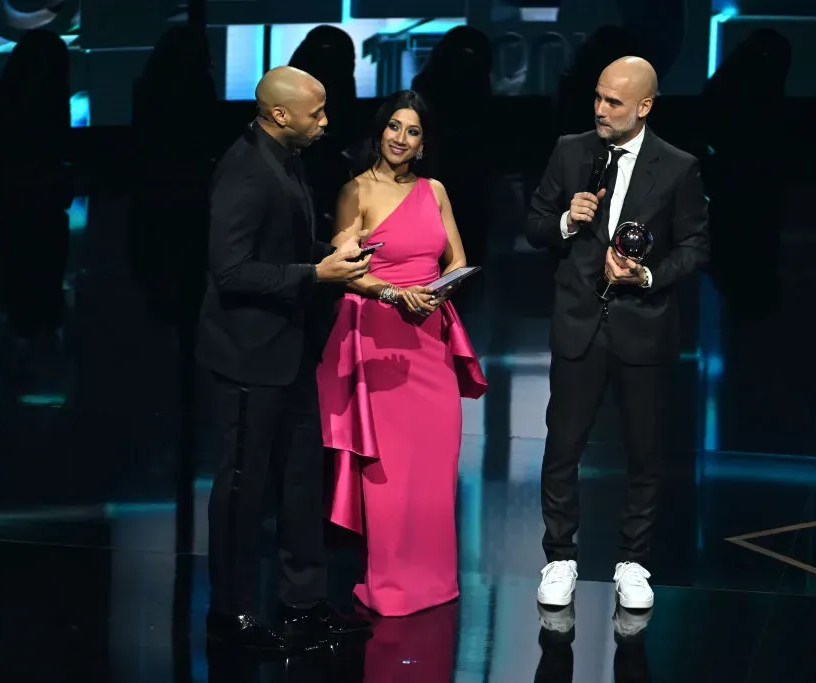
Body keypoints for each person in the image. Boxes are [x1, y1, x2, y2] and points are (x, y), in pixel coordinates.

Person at [198, 66, 372, 652]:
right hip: (248, 356)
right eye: (316, 113)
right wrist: (315, 274)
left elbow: (288, 249)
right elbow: (231, 270)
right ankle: (232, 613)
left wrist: (333, 256)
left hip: (291, 351)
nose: (326, 122)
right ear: (279, 115)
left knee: (300, 482)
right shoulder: (244, 171)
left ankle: (304, 603)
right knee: (243, 490)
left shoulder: (285, 157)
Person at [525, 57, 709, 610]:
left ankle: (634, 561)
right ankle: (559, 557)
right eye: (599, 99)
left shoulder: (678, 167)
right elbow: (535, 225)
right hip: (579, 323)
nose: (601, 111)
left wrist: (647, 275)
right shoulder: (569, 150)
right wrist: (565, 220)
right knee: (562, 448)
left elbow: (695, 247)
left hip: (642, 328)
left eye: (614, 103)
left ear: (644, 107)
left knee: (644, 453)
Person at [316, 90, 487, 617]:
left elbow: (455, 258)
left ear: (423, 143)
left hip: (428, 336)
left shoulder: (435, 191)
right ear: (379, 130)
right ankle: (389, 584)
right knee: (388, 472)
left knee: (434, 466)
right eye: (394, 126)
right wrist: (393, 293)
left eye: (412, 131)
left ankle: (434, 580)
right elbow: (344, 267)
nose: (401, 138)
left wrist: (438, 291)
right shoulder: (355, 191)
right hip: (376, 340)